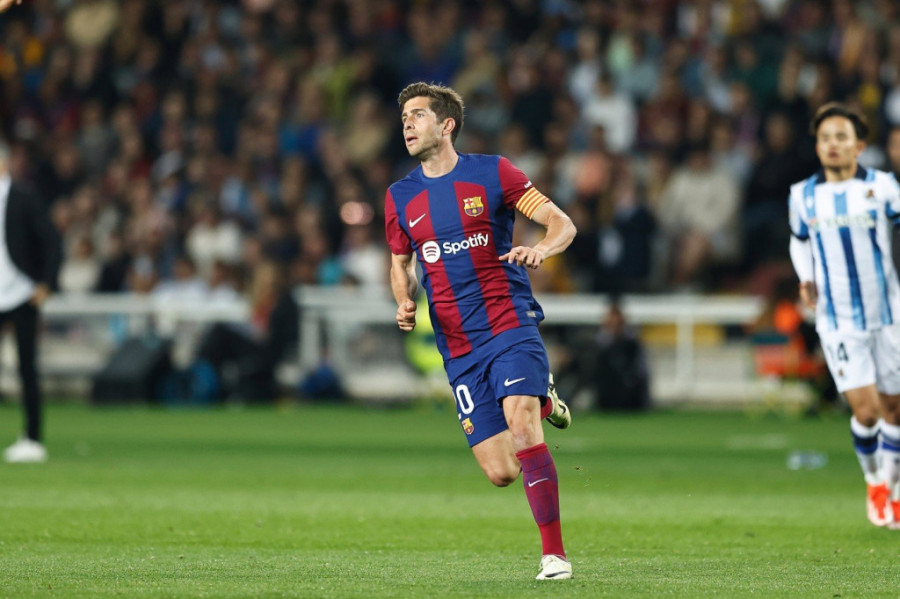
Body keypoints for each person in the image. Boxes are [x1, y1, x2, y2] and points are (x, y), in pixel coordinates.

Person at [385, 83, 577, 580]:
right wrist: (403, 298)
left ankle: (554, 556)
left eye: (418, 115)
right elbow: (400, 264)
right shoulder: (400, 196)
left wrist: (541, 249)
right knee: (502, 472)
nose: (407, 124)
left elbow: (561, 223)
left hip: (508, 321)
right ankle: (544, 400)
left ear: (446, 125)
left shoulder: (494, 172)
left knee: (522, 425)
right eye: (404, 117)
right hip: (458, 345)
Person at [788, 102, 900, 528]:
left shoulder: (883, 187)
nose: (833, 144)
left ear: (859, 145)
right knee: (867, 412)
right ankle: (874, 482)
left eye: (841, 137)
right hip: (838, 319)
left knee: (895, 410)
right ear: (817, 147)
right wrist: (806, 277)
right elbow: (799, 240)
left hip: (888, 314)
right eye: (825, 138)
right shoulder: (803, 195)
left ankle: (893, 490)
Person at [0, 142, 63, 463]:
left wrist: (46, 283)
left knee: (27, 368)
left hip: (21, 291)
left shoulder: (24, 198)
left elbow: (51, 241)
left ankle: (33, 438)